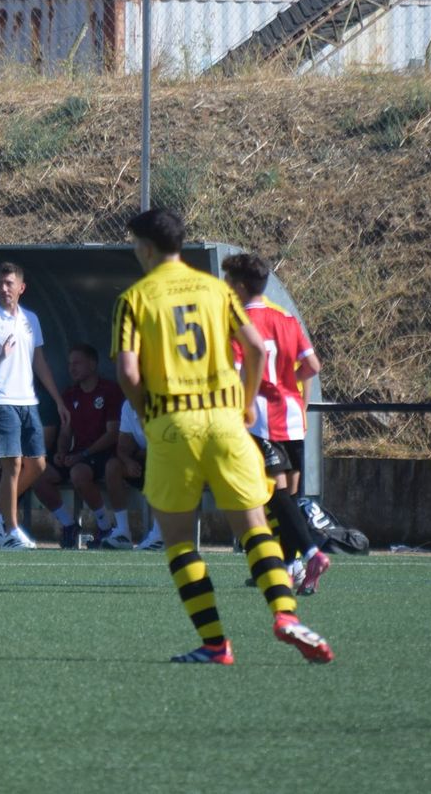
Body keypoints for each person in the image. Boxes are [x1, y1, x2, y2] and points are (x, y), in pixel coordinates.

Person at [113, 207, 332, 664]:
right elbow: (254, 347)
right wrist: (248, 400)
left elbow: (129, 370)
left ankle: (215, 644)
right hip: (226, 422)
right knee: (255, 529)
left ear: (147, 247)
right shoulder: (217, 289)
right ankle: (286, 615)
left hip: (173, 423)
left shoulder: (134, 298)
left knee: (177, 543)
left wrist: (145, 411)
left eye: (135, 243)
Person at [221, 252, 330, 595]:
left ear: (239, 286)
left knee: (274, 496)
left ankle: (308, 556)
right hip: (294, 419)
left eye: (228, 282)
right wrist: (287, 383)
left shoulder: (239, 322)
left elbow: (239, 373)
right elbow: (312, 365)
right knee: (288, 497)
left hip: (261, 421)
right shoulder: (286, 317)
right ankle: (288, 566)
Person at [0, 261, 70, 551]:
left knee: (37, 464)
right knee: (12, 465)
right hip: (0, 402)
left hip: (29, 402)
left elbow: (39, 361)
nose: (4, 289)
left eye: (9, 284)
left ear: (21, 288)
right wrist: (1, 356)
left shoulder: (31, 320)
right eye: (0, 283)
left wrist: (59, 401)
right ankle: (11, 529)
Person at [31, 343, 123, 549]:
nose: (72, 368)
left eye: (77, 363)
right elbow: (65, 432)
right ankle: (69, 524)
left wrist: (84, 454)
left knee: (78, 473)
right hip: (78, 455)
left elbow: (113, 433)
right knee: (36, 474)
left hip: (102, 454)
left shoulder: (110, 390)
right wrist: (62, 451)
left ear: (92, 365)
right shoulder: (70, 394)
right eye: (70, 364)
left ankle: (105, 525)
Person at [101, 398, 163, 551]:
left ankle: (160, 536)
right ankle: (123, 533)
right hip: (148, 462)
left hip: (173, 465)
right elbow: (123, 446)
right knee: (113, 467)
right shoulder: (129, 405)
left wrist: (141, 455)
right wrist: (128, 461)